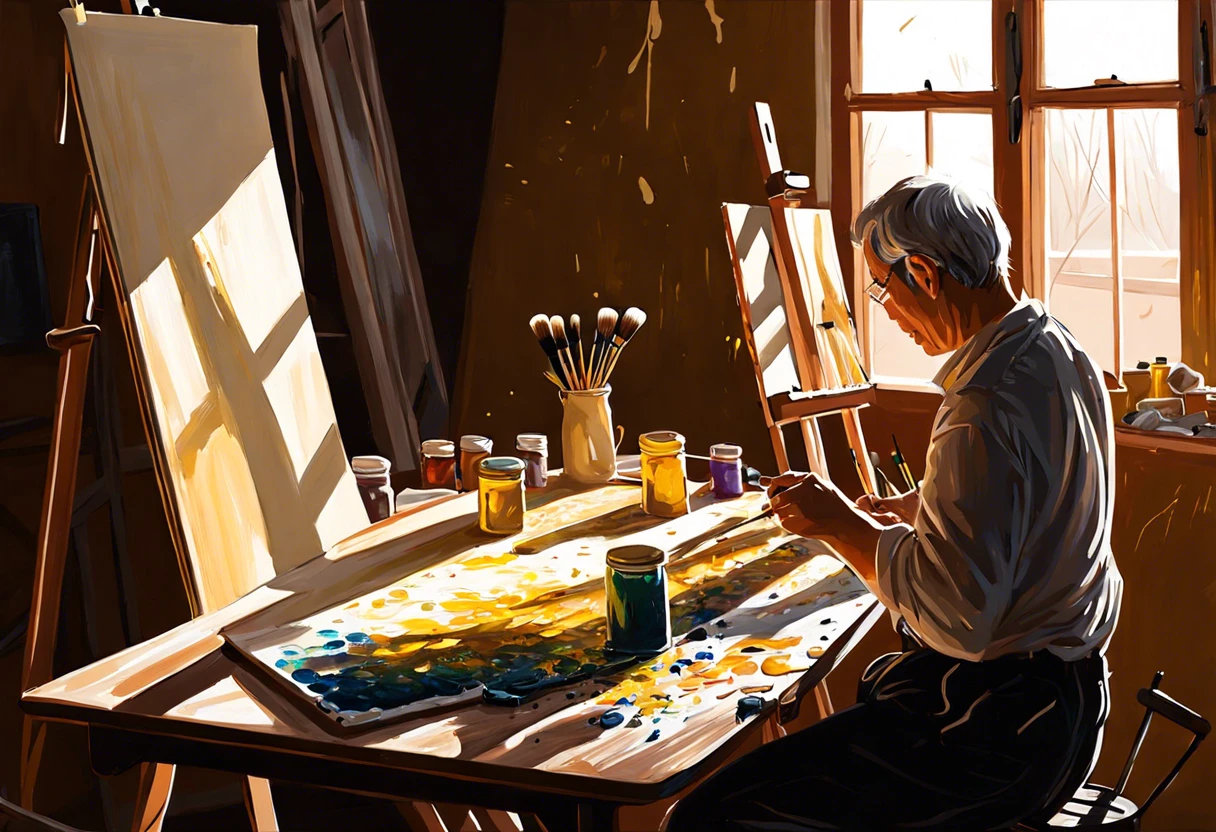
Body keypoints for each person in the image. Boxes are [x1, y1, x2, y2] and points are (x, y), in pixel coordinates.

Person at [667, 176, 1122, 831]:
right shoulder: (1053, 347)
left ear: (924, 273)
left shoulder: (980, 410)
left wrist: (839, 525)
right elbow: (1038, 506)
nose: (882, 307)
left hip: (1006, 732)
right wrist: (924, 506)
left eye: (882, 286)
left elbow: (954, 618)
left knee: (710, 818)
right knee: (881, 683)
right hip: (1071, 701)